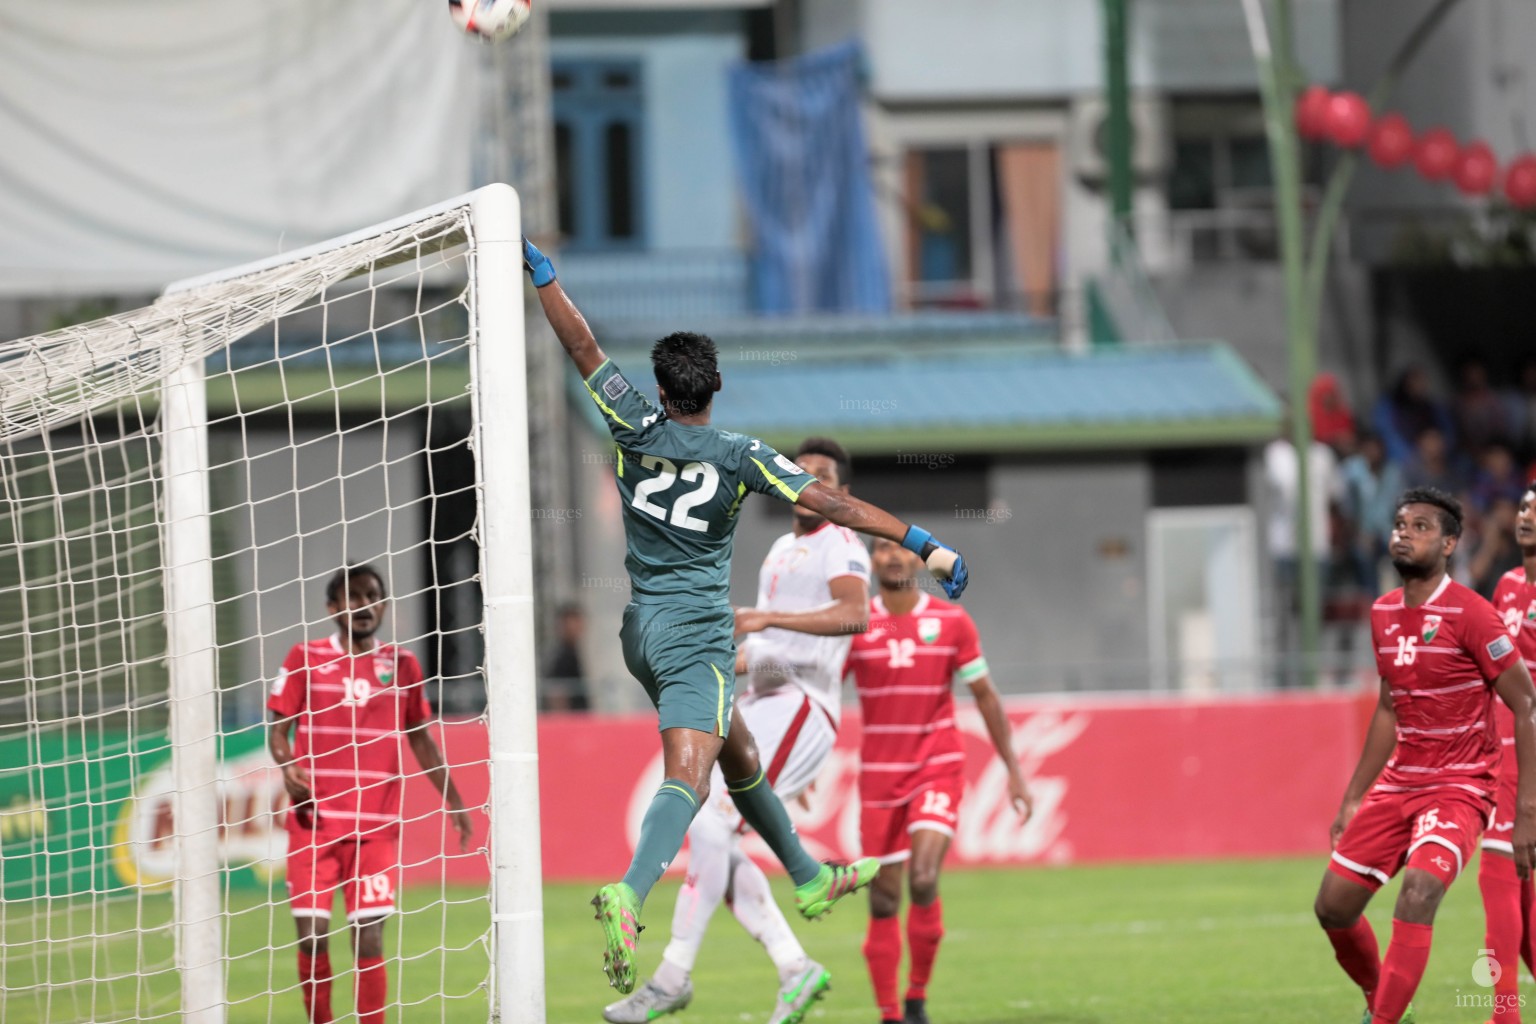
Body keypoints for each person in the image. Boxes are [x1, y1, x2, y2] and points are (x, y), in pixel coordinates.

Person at [520, 240, 971, 995]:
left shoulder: (630, 420)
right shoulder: (740, 454)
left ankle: (805, 876)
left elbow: (582, 344)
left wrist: (546, 278)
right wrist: (921, 540)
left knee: (737, 750)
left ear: (662, 389)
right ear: (716, 385)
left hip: (641, 631)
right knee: (691, 780)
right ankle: (631, 890)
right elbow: (833, 504)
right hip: (699, 632)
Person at [605, 435, 872, 1024]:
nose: (810, 483)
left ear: (841, 492)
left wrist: (764, 621)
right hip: (766, 703)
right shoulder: (781, 547)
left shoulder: (842, 542)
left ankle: (673, 975)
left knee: (710, 827)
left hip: (801, 705)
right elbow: (774, 648)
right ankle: (793, 966)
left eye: (823, 475)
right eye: (801, 473)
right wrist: (727, 657)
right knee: (711, 833)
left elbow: (855, 614)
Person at [1313, 488, 1536, 1024]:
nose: (1403, 534)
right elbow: (1389, 708)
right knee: (1332, 908)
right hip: (1399, 784)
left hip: (1462, 786)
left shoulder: (1472, 614)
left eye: (1419, 527)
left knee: (1421, 891)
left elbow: (1525, 702)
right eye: (1399, 525)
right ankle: (1383, 1001)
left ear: (1449, 544)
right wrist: (1352, 797)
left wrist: (1526, 808)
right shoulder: (1383, 613)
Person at [268, 564, 474, 1024]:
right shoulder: (304, 657)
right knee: (313, 938)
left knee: (370, 939)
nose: (363, 605)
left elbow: (420, 738)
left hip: (374, 831)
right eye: (352, 597)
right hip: (314, 826)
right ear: (333, 607)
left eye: (372, 596)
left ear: (383, 605)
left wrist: (454, 801)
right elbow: (277, 731)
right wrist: (288, 766)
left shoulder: (402, 665)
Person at [844, 537, 1032, 1024]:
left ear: (918, 559)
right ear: (871, 561)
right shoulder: (856, 624)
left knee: (924, 878)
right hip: (879, 779)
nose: (893, 555)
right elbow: (819, 691)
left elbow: (986, 696)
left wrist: (1013, 770)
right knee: (884, 898)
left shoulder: (952, 621)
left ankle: (917, 1001)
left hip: (937, 764)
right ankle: (889, 1014)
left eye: (901, 548)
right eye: (882, 548)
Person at [1483, 483, 1536, 1022]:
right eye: (1523, 507)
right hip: (1499, 744)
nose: (1526, 517)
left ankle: (1503, 1016)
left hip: (1530, 746)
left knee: (1496, 870)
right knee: (1521, 899)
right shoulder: (1508, 584)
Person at [542, 601, 591, 711]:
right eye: (570, 624)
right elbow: (557, 694)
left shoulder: (576, 652)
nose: (574, 628)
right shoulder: (560, 658)